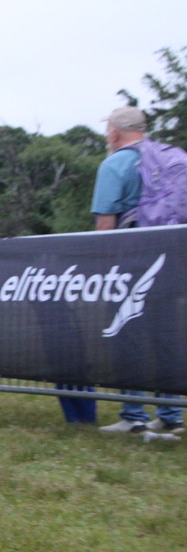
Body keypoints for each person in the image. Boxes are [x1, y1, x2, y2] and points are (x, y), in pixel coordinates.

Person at [93, 106, 184, 434]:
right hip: (172, 260)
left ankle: (133, 414)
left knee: (127, 335)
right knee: (165, 336)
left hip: (131, 264)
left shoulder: (115, 163)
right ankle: (171, 415)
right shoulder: (173, 157)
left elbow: (105, 224)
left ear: (115, 132)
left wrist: (102, 268)